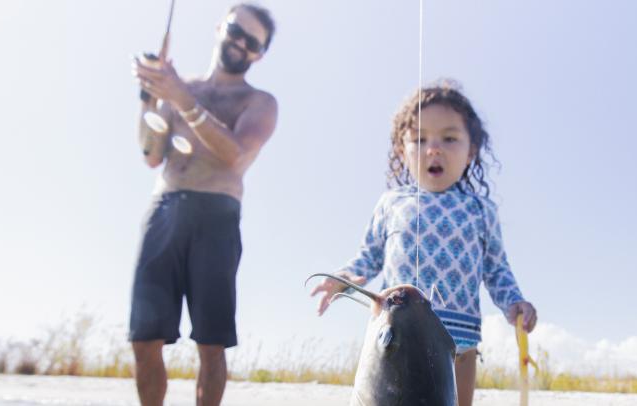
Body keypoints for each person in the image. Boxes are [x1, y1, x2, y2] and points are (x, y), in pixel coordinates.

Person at [311, 81, 537, 406]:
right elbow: (369, 256)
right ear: (402, 150)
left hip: (459, 345)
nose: (434, 149)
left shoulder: (480, 210)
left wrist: (514, 302)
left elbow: (497, 270)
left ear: (471, 149)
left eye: (449, 138)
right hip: (394, 338)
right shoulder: (392, 202)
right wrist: (344, 279)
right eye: (419, 139)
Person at [128, 4, 277, 406]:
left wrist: (181, 98)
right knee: (144, 336)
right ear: (219, 28)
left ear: (259, 54)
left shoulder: (259, 102)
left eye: (251, 41)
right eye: (235, 31)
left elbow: (236, 154)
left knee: (211, 341)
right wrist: (149, 96)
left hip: (217, 214)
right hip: (164, 208)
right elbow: (150, 154)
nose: (239, 43)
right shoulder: (180, 85)